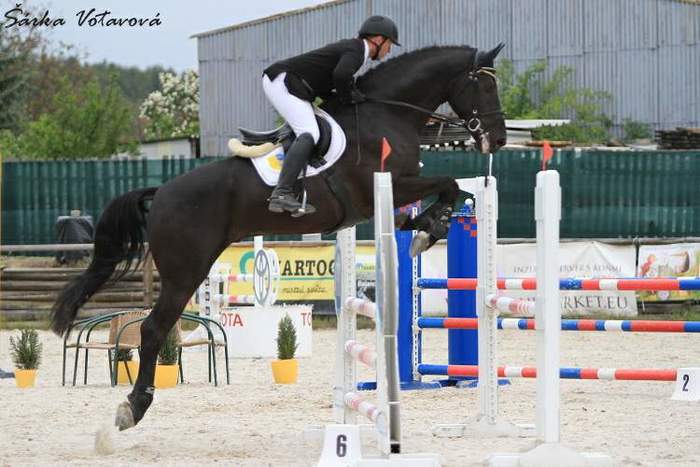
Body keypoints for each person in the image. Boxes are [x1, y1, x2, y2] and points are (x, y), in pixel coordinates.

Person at [262, 15, 400, 216]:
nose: (389, 50)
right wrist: (349, 97)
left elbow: (331, 81)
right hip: (282, 81)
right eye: (390, 44)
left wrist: (352, 96)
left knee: (315, 130)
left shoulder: (354, 50)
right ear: (379, 40)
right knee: (310, 132)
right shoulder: (357, 50)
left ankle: (296, 188)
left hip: (293, 84)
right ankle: (281, 193)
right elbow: (341, 76)